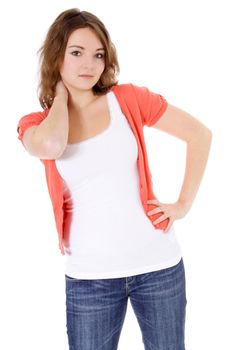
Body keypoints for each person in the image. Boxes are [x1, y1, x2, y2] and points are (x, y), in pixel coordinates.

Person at [16, 8, 212, 350]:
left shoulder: (128, 100)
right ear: (56, 56)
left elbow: (200, 134)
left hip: (159, 268)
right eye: (76, 53)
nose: (89, 65)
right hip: (90, 280)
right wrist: (61, 98)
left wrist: (182, 204)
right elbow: (51, 145)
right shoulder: (36, 123)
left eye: (98, 55)